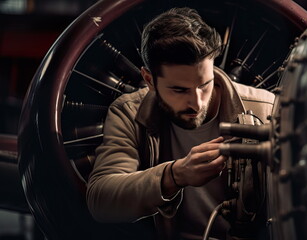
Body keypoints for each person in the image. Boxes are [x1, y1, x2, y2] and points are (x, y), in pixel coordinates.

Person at [86, 7, 275, 240]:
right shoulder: (128, 113)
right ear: (149, 80)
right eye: (179, 90)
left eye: (204, 85)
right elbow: (101, 201)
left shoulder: (266, 109)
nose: (196, 103)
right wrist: (175, 176)